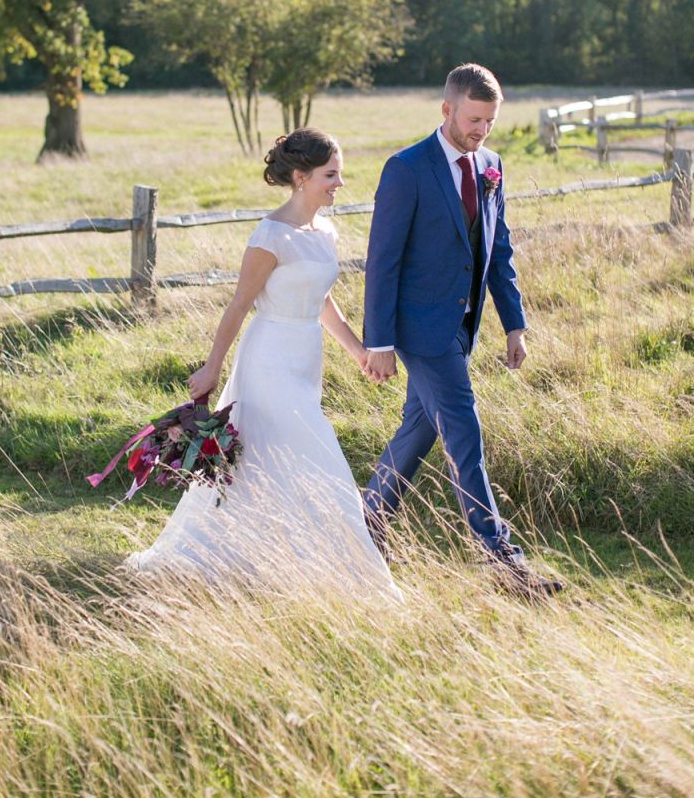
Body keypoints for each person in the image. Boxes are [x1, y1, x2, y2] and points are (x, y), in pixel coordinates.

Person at [125, 128, 402, 601]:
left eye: (340, 174)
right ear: (300, 177)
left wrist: (357, 349)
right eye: (330, 175)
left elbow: (321, 301)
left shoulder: (325, 231)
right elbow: (238, 305)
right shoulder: (271, 234)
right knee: (320, 457)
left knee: (268, 463)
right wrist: (212, 369)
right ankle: (359, 579)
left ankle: (269, 558)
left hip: (304, 358)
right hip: (268, 358)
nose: (340, 184)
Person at [362, 63, 562, 596]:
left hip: (463, 326)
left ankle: (364, 525)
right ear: (447, 110)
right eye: (474, 119)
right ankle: (505, 562)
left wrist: (513, 324)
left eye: (490, 122)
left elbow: (499, 251)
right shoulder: (406, 169)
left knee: (418, 433)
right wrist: (378, 341)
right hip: (418, 329)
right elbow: (381, 261)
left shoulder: (492, 165)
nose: (482, 131)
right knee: (464, 432)